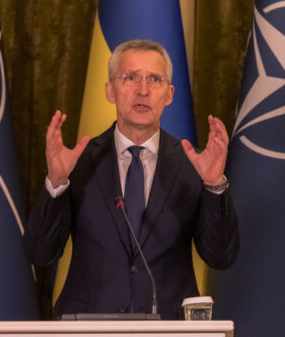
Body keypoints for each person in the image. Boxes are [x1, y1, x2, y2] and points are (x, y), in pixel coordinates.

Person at [23, 39, 239, 319]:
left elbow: (221, 256)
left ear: (169, 93)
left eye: (155, 79)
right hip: (87, 326)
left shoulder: (194, 165)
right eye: (130, 78)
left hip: (171, 326)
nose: (143, 90)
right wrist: (55, 182)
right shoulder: (78, 162)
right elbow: (39, 253)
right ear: (110, 90)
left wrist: (213, 185)